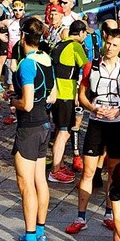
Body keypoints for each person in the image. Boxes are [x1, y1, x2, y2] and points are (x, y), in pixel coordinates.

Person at [65, 29, 120, 235]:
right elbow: (81, 95)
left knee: (114, 172)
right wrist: (93, 109)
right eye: (108, 43)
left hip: (119, 123)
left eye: (115, 45)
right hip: (97, 123)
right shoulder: (91, 66)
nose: (110, 48)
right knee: (88, 171)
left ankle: (110, 213)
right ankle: (81, 216)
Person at [3, 18, 57, 241]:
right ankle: (41, 233)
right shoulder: (46, 59)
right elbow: (52, 95)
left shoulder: (26, 64)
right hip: (44, 123)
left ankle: (30, 240)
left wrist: (12, 101)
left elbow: (25, 103)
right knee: (40, 181)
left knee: (25, 185)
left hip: (29, 127)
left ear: (23, 38)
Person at [48, 20, 88, 182]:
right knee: (64, 132)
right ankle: (55, 170)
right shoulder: (75, 46)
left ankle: (60, 163)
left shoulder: (58, 44)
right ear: (81, 33)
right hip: (66, 94)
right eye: (85, 33)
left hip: (55, 93)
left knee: (59, 130)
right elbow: (87, 68)